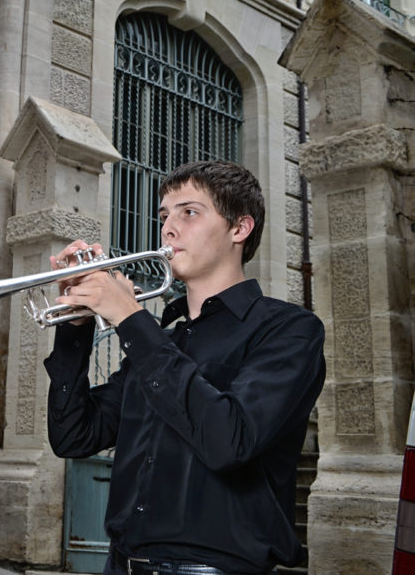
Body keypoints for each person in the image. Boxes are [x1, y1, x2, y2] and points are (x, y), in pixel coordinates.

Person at [45, 161, 326, 574]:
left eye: (188, 213)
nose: (168, 228)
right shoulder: (164, 341)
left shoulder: (290, 330)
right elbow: (73, 436)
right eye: (164, 216)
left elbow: (229, 441)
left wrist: (130, 319)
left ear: (239, 229)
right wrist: (75, 326)